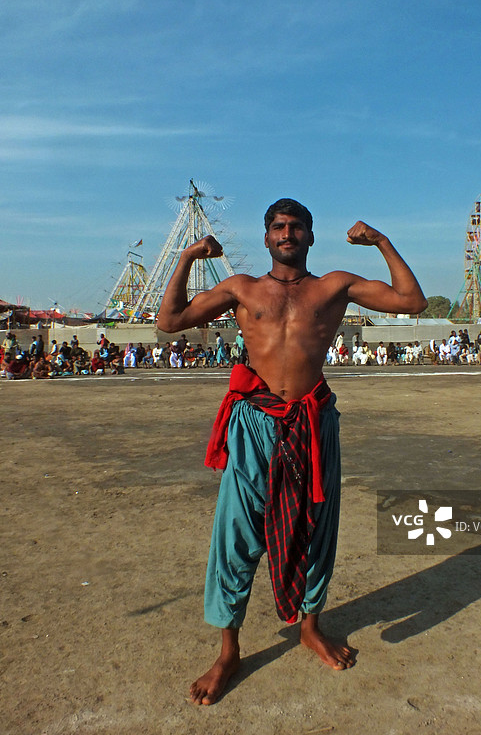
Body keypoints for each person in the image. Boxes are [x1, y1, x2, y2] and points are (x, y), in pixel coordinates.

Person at [157, 198, 427, 706]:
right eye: (279, 226)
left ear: (309, 236)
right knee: (236, 533)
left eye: (297, 226)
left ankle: (310, 626)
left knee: (316, 526)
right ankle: (228, 650)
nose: (287, 233)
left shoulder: (334, 287)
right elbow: (169, 321)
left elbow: (414, 303)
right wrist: (190, 255)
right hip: (255, 423)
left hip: (312, 422)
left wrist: (382, 242)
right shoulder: (242, 288)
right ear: (266, 238)